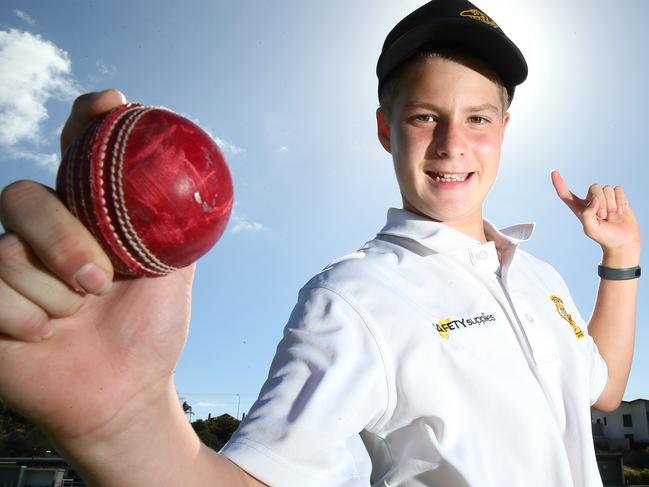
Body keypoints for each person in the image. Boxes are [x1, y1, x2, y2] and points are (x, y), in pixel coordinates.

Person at [0, 0, 640, 486]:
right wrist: (124, 426)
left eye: (477, 118)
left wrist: (620, 259)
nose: (452, 144)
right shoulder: (356, 295)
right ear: (385, 130)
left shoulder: (540, 277)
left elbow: (603, 390)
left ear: (504, 129)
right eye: (424, 117)